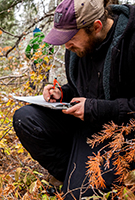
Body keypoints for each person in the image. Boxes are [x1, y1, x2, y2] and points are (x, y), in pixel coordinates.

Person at [13, 0, 135, 199]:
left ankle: (83, 181)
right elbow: (81, 88)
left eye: (70, 38)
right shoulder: (78, 49)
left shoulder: (130, 42)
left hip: (120, 134)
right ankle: (73, 174)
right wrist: (62, 93)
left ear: (96, 26)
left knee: (77, 196)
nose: (66, 45)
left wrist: (97, 109)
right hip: (86, 126)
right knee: (25, 118)